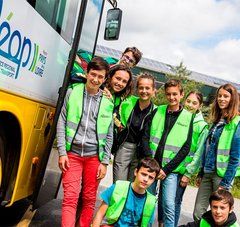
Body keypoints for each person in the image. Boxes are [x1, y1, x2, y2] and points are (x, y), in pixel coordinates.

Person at [56, 57, 114, 227]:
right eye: (93, 74)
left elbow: (109, 134)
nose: (95, 79)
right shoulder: (72, 92)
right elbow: (62, 122)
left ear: (104, 79)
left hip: (94, 158)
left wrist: (104, 162)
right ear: (87, 73)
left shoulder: (107, 102)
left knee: (89, 199)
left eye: (100, 77)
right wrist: (62, 152)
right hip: (71, 155)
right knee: (70, 198)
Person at [142, 79, 194, 227]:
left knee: (169, 205)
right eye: (169, 94)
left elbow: (186, 147)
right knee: (149, 202)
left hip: (170, 169)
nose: (172, 97)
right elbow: (145, 135)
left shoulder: (188, 117)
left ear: (181, 95)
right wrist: (149, 160)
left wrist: (166, 169)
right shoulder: (158, 110)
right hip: (152, 165)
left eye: (175, 94)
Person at [193, 83, 240, 221]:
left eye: (226, 96)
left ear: (233, 99)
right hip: (208, 172)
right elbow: (207, 150)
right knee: (198, 213)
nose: (221, 99)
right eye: (219, 96)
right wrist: (201, 172)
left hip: (222, 176)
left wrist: (225, 183)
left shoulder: (237, 122)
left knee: (219, 216)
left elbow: (235, 158)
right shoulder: (216, 121)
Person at [173, 91, 209, 226]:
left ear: (199, 106)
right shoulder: (179, 117)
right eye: (188, 101)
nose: (190, 105)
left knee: (176, 201)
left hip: (184, 169)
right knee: (166, 201)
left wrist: (188, 174)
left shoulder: (202, 126)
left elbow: (199, 153)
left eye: (194, 103)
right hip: (172, 165)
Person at [113, 73, 156, 182]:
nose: (144, 91)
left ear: (153, 90)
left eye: (147, 88)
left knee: (134, 186)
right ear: (137, 89)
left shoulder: (156, 111)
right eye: (141, 87)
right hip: (124, 147)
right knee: (119, 184)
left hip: (141, 153)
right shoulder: (127, 102)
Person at [92, 157, 160, 227]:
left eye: (151, 177)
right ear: (136, 172)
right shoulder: (118, 186)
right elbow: (100, 214)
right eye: (144, 174)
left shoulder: (151, 201)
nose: (146, 179)